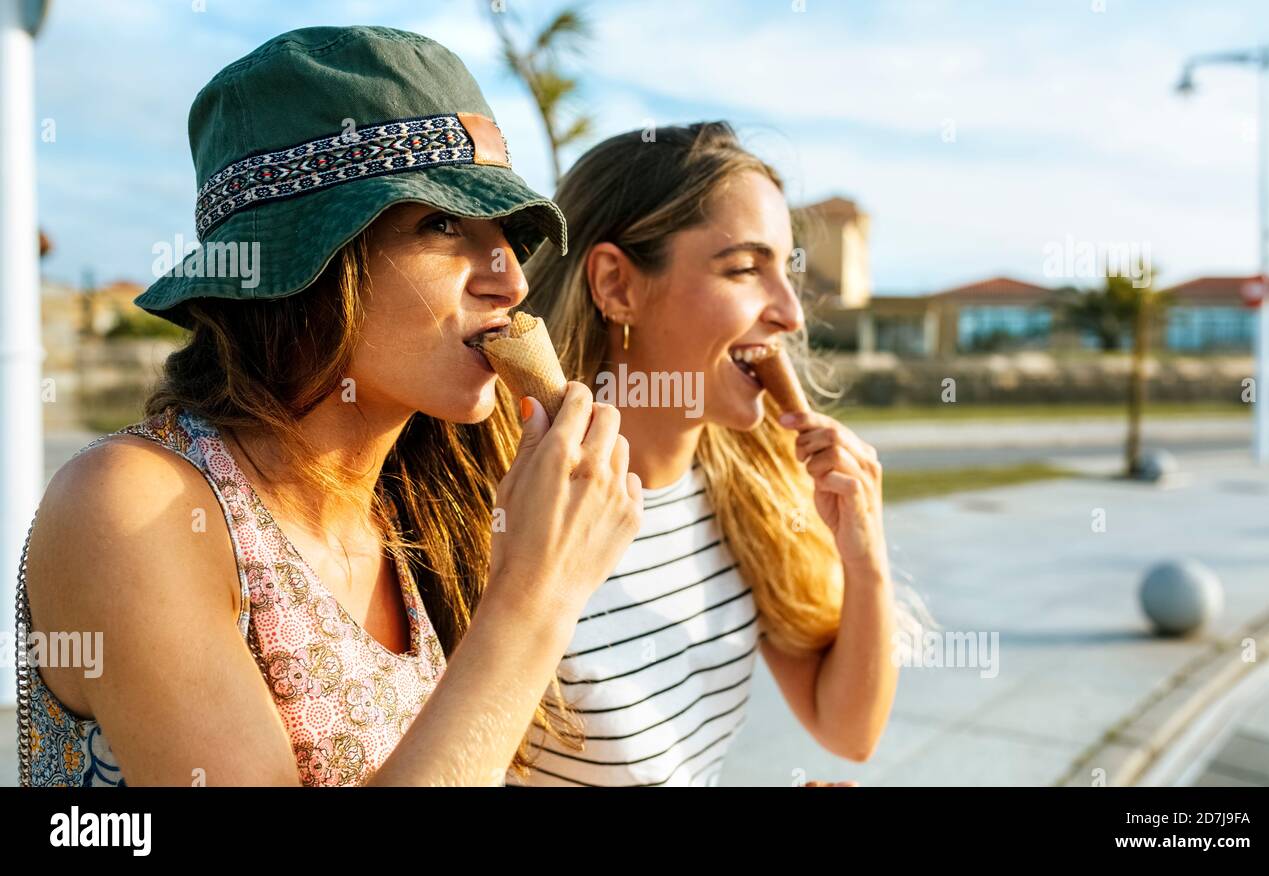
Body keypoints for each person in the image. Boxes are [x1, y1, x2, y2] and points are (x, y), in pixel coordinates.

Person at [15, 25, 641, 787]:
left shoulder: (413, 512)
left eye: (508, 234)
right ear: (302, 259)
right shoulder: (132, 505)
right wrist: (536, 597)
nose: (509, 281)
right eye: (443, 224)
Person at [511, 121, 924, 786]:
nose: (791, 313)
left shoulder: (747, 491)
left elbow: (848, 731)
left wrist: (864, 555)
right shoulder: (517, 511)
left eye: (783, 271)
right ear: (617, 285)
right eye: (743, 269)